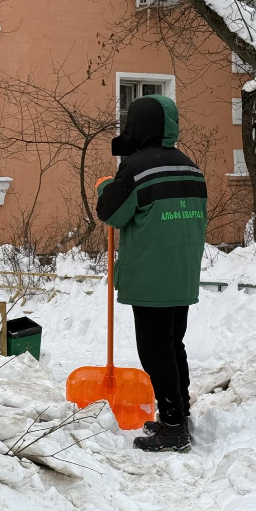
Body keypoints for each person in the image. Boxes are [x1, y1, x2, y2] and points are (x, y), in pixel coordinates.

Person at [95, 94, 207, 452]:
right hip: (182, 273)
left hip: (151, 276)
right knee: (173, 345)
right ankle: (180, 415)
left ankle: (173, 428)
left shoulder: (137, 169)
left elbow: (111, 213)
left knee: (155, 352)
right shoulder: (191, 167)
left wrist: (104, 187)